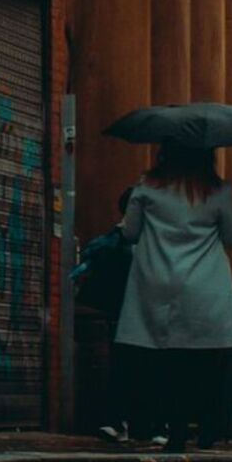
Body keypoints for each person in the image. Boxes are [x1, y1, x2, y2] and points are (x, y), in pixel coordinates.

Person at [117, 142, 232, 452]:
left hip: (157, 282)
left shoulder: (147, 187)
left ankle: (174, 431)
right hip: (205, 285)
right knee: (203, 362)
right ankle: (205, 428)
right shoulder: (217, 191)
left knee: (166, 362)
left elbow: (130, 232)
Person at [78, 188, 159, 445]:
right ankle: (120, 422)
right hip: (125, 313)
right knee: (124, 368)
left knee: (146, 370)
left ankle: (146, 425)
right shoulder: (117, 240)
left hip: (150, 315)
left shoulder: (155, 241)